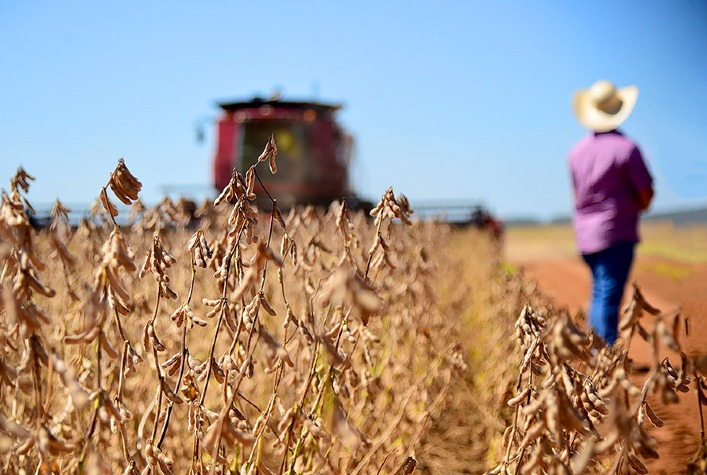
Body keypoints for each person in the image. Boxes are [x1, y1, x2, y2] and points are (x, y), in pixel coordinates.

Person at [569, 80, 654, 345]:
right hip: (616, 233)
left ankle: (598, 352)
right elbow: (645, 191)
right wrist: (638, 206)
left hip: (586, 235)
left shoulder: (576, 152)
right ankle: (605, 357)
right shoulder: (627, 148)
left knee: (599, 292)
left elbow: (577, 194)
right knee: (608, 295)